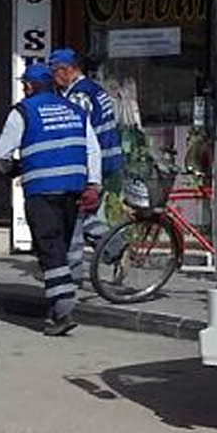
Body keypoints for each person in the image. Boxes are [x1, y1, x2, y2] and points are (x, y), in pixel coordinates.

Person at [0, 59, 100, 336]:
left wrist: (12, 170)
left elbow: (2, 152)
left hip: (42, 191)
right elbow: (92, 150)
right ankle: (59, 306)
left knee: (50, 250)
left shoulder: (23, 111)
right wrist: (93, 184)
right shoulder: (75, 110)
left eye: (25, 86)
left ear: (29, 87)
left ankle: (62, 311)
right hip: (74, 189)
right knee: (61, 248)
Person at [50, 47, 124, 271]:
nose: (53, 78)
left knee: (74, 218)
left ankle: (73, 272)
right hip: (108, 160)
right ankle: (116, 247)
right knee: (86, 216)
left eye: (54, 72)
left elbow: (78, 133)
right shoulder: (95, 89)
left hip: (92, 165)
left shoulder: (79, 97)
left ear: (67, 70)